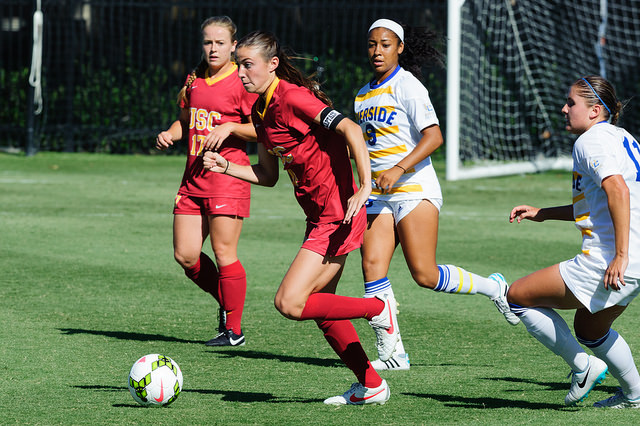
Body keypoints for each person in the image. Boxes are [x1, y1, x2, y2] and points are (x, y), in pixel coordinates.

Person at [202, 30, 398, 405]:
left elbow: (351, 129)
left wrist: (364, 186)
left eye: (247, 64)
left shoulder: (293, 97)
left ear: (272, 65)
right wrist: (226, 165)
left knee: (290, 303)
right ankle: (371, 384)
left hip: (338, 215)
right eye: (238, 64)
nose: (241, 72)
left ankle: (378, 308)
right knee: (323, 308)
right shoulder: (260, 110)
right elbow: (268, 175)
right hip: (320, 218)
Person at [355, 19, 519, 371]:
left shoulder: (408, 85)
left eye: (385, 44)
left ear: (399, 47)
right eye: (372, 44)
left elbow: (433, 137)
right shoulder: (362, 95)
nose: (377, 50)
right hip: (379, 197)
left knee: (425, 275)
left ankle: (493, 288)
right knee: (371, 268)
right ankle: (393, 354)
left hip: (414, 188)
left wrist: (397, 169)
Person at [507, 75, 640, 408]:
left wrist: (620, 256)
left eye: (571, 103)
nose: (564, 108)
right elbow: (597, 205)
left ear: (595, 110)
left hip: (612, 259)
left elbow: (618, 192)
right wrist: (544, 213)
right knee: (590, 330)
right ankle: (636, 395)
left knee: (517, 296)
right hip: (636, 258)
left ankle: (583, 368)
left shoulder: (590, 142)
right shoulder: (623, 137)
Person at [155, 16, 258, 347]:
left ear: (233, 45)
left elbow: (266, 128)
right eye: (207, 42)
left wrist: (230, 128)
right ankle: (229, 303)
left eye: (219, 42)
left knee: (223, 251)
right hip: (192, 179)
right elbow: (186, 121)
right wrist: (170, 134)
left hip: (227, 177)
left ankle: (234, 329)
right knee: (185, 255)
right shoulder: (195, 79)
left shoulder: (242, 82)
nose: (213, 48)